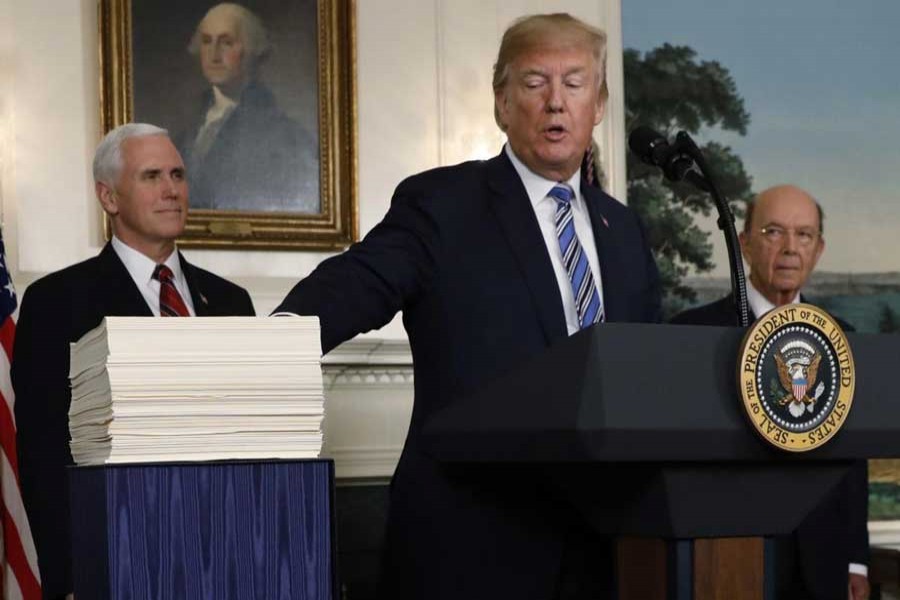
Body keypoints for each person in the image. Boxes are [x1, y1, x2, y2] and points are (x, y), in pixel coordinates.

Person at [275, 13, 661, 599]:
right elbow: (354, 286)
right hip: (471, 546)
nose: (556, 102)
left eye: (575, 83)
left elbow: (646, 372)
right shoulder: (444, 205)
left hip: (601, 550)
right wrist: (264, 348)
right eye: (535, 83)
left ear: (600, 104)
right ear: (502, 103)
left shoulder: (625, 230)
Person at [12, 123, 256, 600]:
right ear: (109, 198)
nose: (172, 190)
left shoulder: (231, 301)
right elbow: (43, 453)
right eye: (151, 176)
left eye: (177, 174)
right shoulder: (56, 302)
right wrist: (68, 572)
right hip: (114, 554)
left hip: (226, 555)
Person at [672, 184, 869, 600]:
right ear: (743, 243)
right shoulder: (692, 336)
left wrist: (855, 559)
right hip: (725, 558)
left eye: (804, 235)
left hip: (821, 561)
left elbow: (852, 460)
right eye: (773, 232)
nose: (790, 248)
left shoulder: (843, 340)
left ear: (818, 250)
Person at [178, 2, 318, 212]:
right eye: (207, 41)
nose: (214, 54)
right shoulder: (189, 127)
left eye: (226, 42)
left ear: (252, 50)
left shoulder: (285, 135)